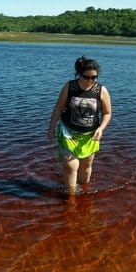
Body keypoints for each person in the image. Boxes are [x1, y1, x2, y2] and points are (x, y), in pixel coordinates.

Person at [47, 56, 112, 195]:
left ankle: (84, 192)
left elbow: (107, 113)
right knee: (71, 166)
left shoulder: (101, 90)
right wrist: (51, 127)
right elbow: (58, 108)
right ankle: (71, 198)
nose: (90, 81)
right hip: (68, 132)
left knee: (86, 166)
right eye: (86, 77)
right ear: (79, 74)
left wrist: (101, 129)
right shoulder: (70, 87)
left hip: (90, 135)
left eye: (94, 77)